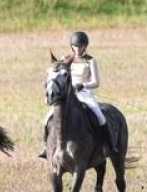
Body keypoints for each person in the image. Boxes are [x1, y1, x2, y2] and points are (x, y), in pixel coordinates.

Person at [42, 30, 109, 158]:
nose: (78, 49)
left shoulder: (90, 61)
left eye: (81, 46)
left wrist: (83, 85)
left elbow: (96, 82)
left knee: (100, 116)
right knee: (47, 119)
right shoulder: (65, 59)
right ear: (72, 46)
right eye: (76, 46)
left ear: (85, 46)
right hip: (67, 94)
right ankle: (46, 146)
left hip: (84, 93)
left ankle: (107, 145)